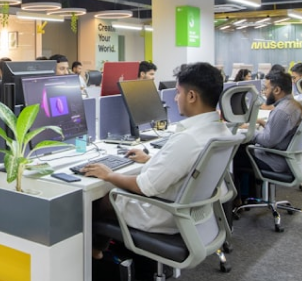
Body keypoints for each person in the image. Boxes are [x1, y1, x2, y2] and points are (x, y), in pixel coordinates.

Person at [81, 63, 230, 258]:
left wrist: (109, 174)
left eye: (178, 92)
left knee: (99, 198)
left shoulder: (189, 138)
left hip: (164, 214)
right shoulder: (220, 130)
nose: (175, 98)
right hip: (191, 214)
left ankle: (95, 257)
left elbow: (144, 187)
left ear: (192, 96)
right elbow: (185, 166)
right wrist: (149, 159)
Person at [233, 71, 302, 198]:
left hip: (275, 161)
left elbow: (267, 141)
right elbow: (281, 133)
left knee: (234, 155)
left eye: (266, 88)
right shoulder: (294, 106)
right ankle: (250, 197)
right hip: (288, 157)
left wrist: (248, 130)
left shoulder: (282, 111)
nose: (264, 92)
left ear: (277, 90)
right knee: (244, 148)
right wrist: (263, 123)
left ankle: (242, 199)